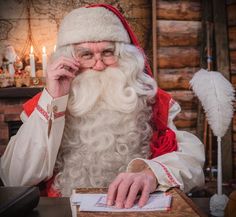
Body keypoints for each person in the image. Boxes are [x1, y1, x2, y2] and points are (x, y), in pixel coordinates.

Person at [0, 4, 205, 208]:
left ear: (124, 56)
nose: (98, 65)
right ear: (69, 60)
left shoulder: (152, 101)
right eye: (86, 55)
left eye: (108, 52)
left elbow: (192, 160)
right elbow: (15, 178)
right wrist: (54, 98)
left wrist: (152, 173)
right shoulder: (46, 104)